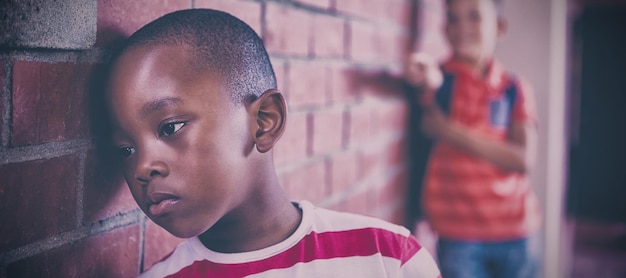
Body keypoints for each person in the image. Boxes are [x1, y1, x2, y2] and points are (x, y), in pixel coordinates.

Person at [102, 9, 440, 277]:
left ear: (265, 121)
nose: (143, 166)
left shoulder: (386, 257)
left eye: (171, 127)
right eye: (126, 150)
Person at [405, 0, 541, 277]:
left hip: (518, 232)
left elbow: (522, 159)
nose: (462, 27)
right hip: (459, 238)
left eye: (474, 17)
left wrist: (449, 131)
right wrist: (421, 73)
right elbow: (428, 81)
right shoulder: (443, 79)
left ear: (499, 27)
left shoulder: (513, 88)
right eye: (453, 19)